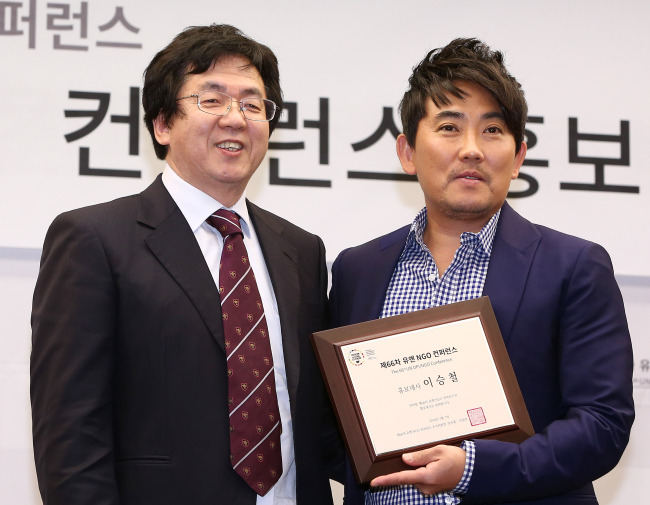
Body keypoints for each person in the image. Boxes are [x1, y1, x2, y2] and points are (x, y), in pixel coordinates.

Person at [31, 24, 342, 505]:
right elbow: (70, 433)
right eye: (211, 100)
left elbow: (316, 416)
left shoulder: (301, 251)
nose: (236, 118)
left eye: (252, 104)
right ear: (162, 124)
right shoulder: (95, 239)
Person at [330, 38, 634, 505]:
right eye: (449, 127)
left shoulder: (573, 266)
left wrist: (472, 467)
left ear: (518, 158)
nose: (471, 150)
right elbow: (335, 424)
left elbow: (602, 424)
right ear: (407, 152)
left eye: (492, 131)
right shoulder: (357, 269)